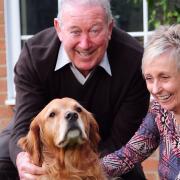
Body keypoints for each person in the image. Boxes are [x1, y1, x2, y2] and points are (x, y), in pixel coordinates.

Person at [0, 0, 150, 179]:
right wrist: (23, 160)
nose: (85, 44)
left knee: (131, 175)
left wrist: (81, 170)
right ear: (59, 29)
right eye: (75, 31)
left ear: (110, 28)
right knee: (4, 164)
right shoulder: (34, 55)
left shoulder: (135, 61)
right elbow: (24, 125)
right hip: (44, 140)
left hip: (106, 141)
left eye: (95, 30)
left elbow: (122, 140)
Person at [102, 24, 180, 180]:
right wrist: (75, 173)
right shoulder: (161, 111)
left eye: (164, 77)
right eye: (149, 79)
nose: (156, 89)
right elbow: (128, 156)